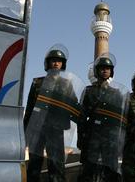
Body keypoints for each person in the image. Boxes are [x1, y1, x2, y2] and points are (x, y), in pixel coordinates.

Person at [24, 45, 80, 182]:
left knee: (56, 165)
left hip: (56, 129)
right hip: (37, 128)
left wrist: (84, 122)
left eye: (59, 61)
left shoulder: (66, 84)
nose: (56, 63)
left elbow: (73, 106)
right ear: (48, 63)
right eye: (53, 60)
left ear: (62, 64)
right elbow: (30, 107)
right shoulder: (37, 83)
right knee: (34, 164)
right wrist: (24, 131)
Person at [77, 53, 128, 182]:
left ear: (111, 72)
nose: (105, 70)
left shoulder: (117, 93)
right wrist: (80, 137)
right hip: (92, 136)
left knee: (111, 170)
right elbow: (81, 117)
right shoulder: (89, 91)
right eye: (102, 68)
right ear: (97, 71)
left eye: (108, 68)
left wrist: (120, 138)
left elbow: (121, 119)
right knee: (89, 170)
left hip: (110, 138)